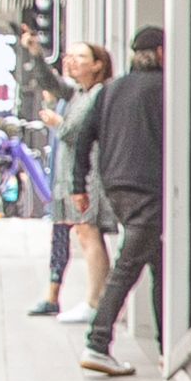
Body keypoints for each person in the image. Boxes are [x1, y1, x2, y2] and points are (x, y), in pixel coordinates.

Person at [78, 26, 165, 378]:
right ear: (161, 53)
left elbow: (85, 136)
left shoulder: (111, 90)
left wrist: (77, 182)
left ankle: (168, 345)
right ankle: (97, 343)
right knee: (128, 266)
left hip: (117, 187)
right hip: (149, 188)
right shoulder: (164, 89)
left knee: (162, 264)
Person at [36, 42, 115, 322]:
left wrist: (59, 123)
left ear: (97, 64)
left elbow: (77, 130)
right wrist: (35, 53)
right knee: (84, 233)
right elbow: (51, 82)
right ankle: (96, 300)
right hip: (75, 174)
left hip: (89, 174)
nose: (74, 61)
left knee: (88, 232)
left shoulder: (97, 94)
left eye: (81, 56)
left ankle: (95, 301)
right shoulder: (77, 94)